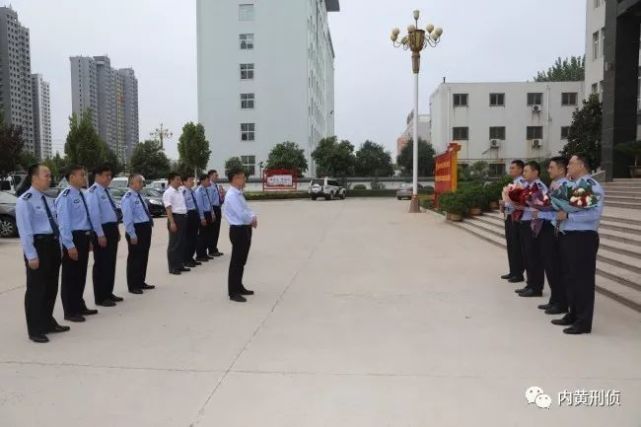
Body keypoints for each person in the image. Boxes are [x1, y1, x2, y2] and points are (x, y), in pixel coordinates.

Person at [15, 164, 70, 343]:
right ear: (34, 177)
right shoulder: (25, 200)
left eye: (49, 175)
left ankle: (47, 321)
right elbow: (25, 231)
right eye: (46, 175)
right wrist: (31, 255)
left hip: (52, 246)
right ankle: (35, 328)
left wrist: (60, 247)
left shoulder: (48, 199)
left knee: (51, 287)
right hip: (38, 247)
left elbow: (57, 226)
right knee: (36, 289)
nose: (49, 178)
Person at [551, 154, 604, 335]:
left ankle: (583, 321)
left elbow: (593, 215)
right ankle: (573, 314)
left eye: (571, 164)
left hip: (583, 238)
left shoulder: (590, 186)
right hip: (568, 235)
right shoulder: (572, 185)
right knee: (569, 278)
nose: (568, 167)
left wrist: (568, 215)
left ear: (581, 165)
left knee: (582, 281)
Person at [55, 165, 99, 323]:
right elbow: (63, 224)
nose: (84, 178)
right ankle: (70, 310)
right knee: (70, 277)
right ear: (71, 177)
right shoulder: (65, 196)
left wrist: (90, 240)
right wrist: (69, 245)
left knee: (80, 275)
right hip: (73, 239)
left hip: (84, 237)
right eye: (81, 175)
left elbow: (85, 219)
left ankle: (79, 305)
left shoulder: (82, 194)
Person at [533, 157, 570, 315]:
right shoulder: (554, 185)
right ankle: (554, 299)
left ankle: (561, 302)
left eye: (552, 167)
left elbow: (559, 212)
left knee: (556, 268)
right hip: (549, 228)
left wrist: (541, 212)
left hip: (557, 230)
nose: (548, 170)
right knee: (550, 266)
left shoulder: (565, 186)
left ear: (561, 170)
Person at [87, 164, 123, 307]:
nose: (109, 178)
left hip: (111, 228)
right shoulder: (93, 192)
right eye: (106, 175)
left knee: (110, 263)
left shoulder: (106, 191)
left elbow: (111, 213)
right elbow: (94, 215)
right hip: (101, 230)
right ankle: (100, 297)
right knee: (101, 264)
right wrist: (100, 234)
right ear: (98, 176)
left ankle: (108, 292)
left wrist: (117, 229)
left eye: (110, 175)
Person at [515, 161, 548, 298]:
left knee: (534, 257)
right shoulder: (527, 186)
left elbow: (542, 205)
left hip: (533, 224)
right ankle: (530, 284)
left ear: (535, 172)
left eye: (527, 171)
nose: (524, 173)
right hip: (524, 222)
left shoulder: (540, 187)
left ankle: (536, 287)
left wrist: (525, 207)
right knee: (527, 256)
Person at [223, 167, 257, 303]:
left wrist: (253, 217)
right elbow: (241, 214)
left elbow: (247, 209)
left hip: (244, 229)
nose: (245, 179)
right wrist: (251, 220)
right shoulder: (231, 195)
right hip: (238, 230)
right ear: (235, 178)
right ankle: (233, 292)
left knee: (241, 261)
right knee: (236, 262)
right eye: (242, 177)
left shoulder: (238, 193)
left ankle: (239, 286)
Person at [121, 174, 155, 294]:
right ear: (131, 184)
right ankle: (133, 285)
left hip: (145, 228)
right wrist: (132, 234)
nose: (141, 184)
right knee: (134, 258)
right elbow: (127, 218)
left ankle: (141, 281)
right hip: (136, 229)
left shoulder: (140, 196)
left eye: (142, 182)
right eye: (139, 182)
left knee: (143, 256)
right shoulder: (128, 198)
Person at [500, 160, 526, 283]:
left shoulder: (521, 183)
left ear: (520, 170)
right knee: (511, 245)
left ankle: (518, 273)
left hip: (517, 217)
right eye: (510, 168)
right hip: (510, 216)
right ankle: (513, 271)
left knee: (516, 246)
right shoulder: (513, 183)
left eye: (513, 168)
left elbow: (520, 203)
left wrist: (507, 204)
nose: (510, 170)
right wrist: (504, 205)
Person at [163, 172, 189, 275]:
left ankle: (179, 264)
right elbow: (168, 208)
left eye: (180, 179)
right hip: (175, 218)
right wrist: (172, 222)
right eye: (177, 179)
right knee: (174, 244)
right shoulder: (168, 192)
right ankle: (172, 267)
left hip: (183, 217)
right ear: (171, 180)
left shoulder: (179, 191)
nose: (180, 181)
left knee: (182, 243)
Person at [180, 173, 202, 268]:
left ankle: (191, 258)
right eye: (190, 180)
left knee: (194, 238)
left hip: (194, 214)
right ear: (184, 182)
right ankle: (186, 259)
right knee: (188, 239)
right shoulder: (183, 192)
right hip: (188, 215)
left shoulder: (192, 191)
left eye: (193, 180)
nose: (192, 182)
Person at [194, 174, 214, 262]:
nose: (209, 182)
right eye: (207, 180)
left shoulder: (206, 190)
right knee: (202, 235)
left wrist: (212, 213)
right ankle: (200, 255)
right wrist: (202, 218)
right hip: (204, 215)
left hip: (208, 213)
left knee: (207, 235)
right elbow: (200, 205)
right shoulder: (198, 191)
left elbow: (209, 203)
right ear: (202, 181)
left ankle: (204, 253)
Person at [207, 169, 225, 257]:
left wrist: (222, 195)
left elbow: (220, 200)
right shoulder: (209, 186)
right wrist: (212, 212)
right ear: (210, 176)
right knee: (213, 230)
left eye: (217, 175)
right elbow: (209, 201)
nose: (217, 177)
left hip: (218, 208)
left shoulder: (216, 185)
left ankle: (214, 248)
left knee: (216, 230)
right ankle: (211, 249)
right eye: (215, 175)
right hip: (213, 209)